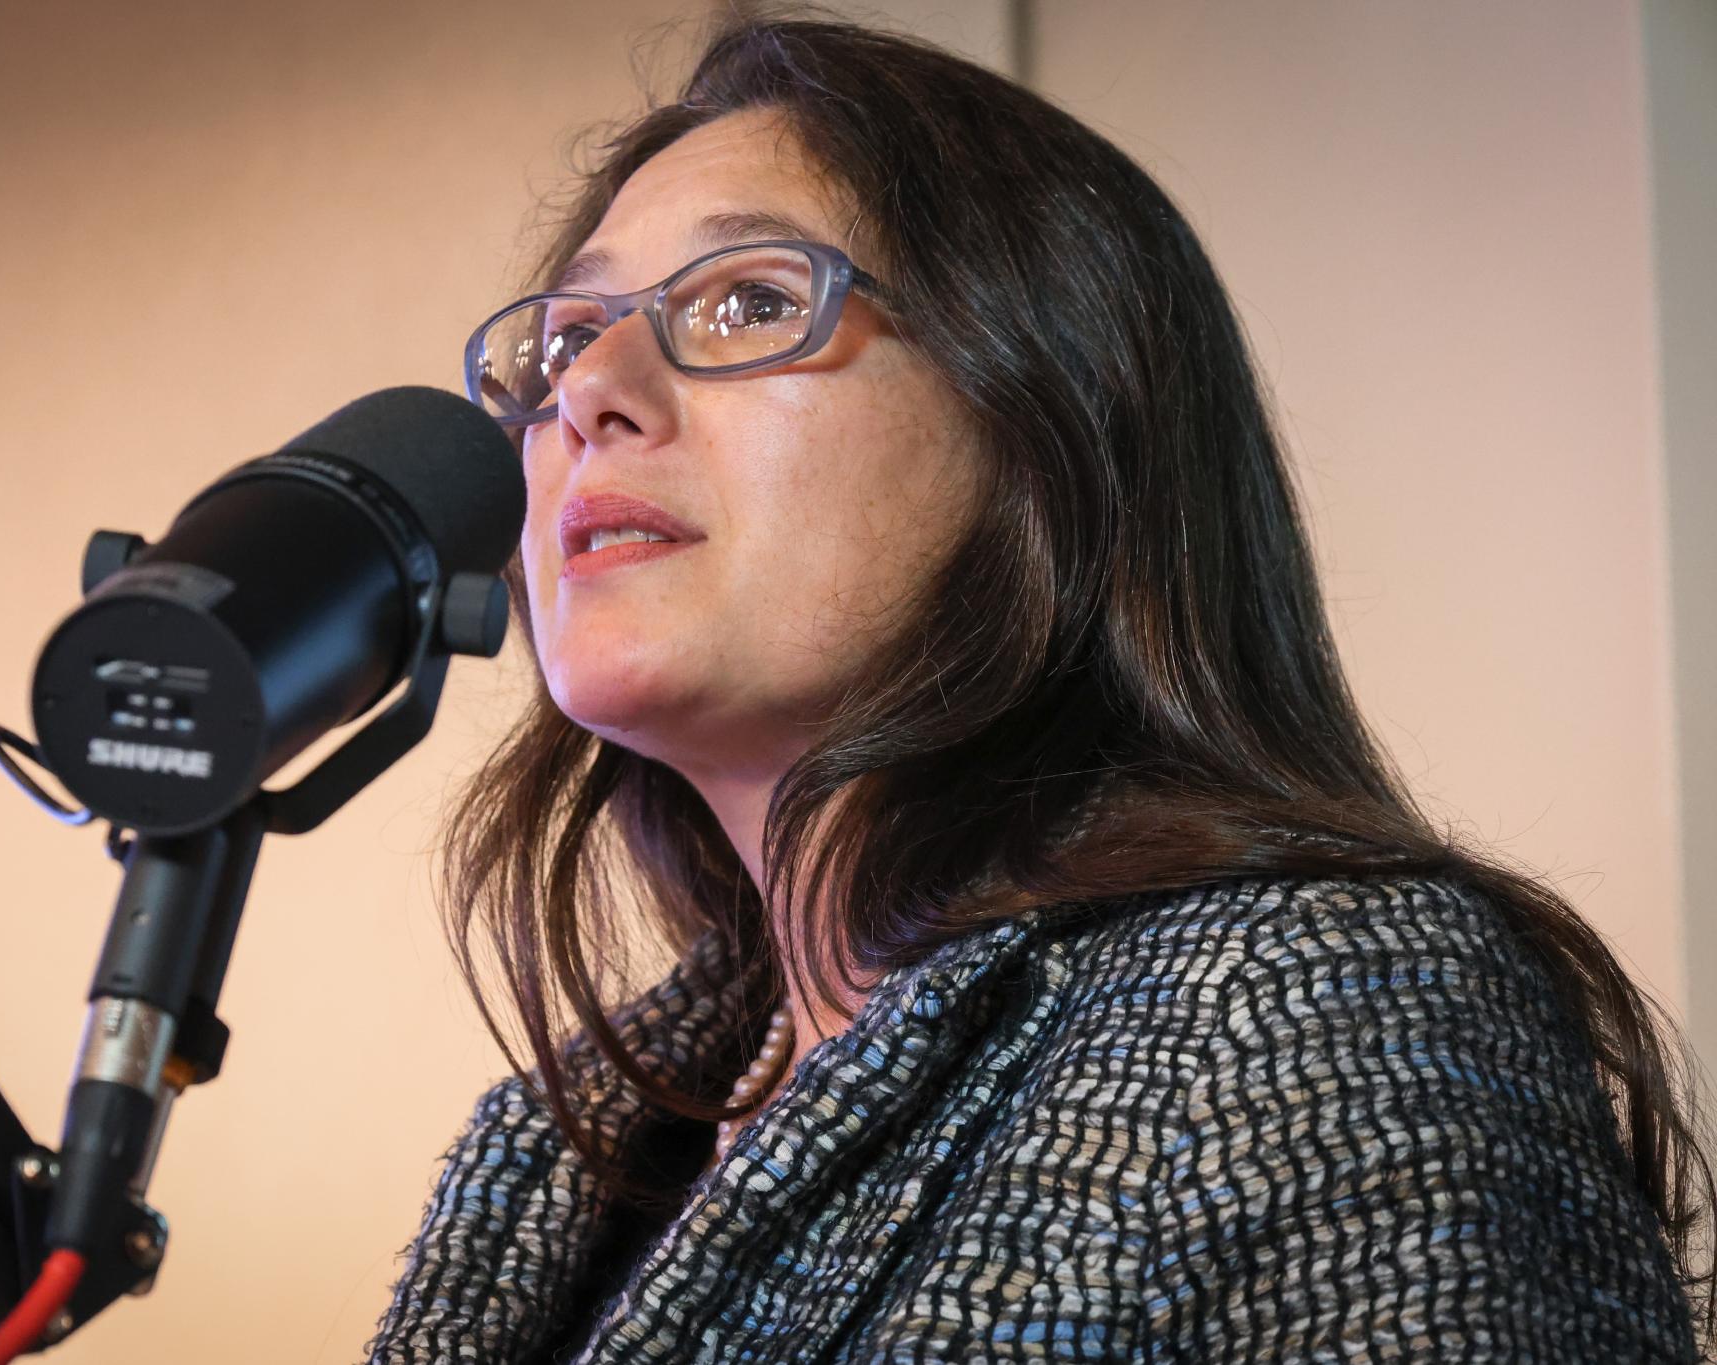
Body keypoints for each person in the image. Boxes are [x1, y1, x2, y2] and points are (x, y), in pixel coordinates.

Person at [365, 14, 1711, 1362]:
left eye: (751, 300)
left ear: (1048, 422)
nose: (591, 391)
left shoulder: (1319, 1005)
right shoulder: (554, 1148)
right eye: (568, 340)